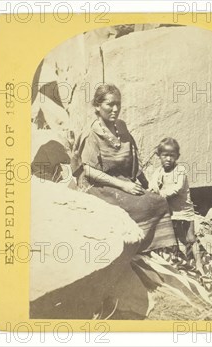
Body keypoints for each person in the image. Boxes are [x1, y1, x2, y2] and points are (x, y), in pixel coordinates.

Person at [73, 84, 176, 253]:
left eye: (118, 104)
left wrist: (147, 183)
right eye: (110, 104)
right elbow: (89, 171)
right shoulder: (91, 134)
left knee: (158, 200)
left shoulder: (121, 127)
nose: (115, 109)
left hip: (123, 181)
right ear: (98, 106)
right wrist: (123, 186)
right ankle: (137, 249)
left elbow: (134, 158)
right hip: (99, 187)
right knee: (143, 206)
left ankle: (161, 249)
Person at [150, 137, 204, 274]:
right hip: (170, 211)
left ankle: (199, 265)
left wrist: (160, 193)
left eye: (172, 156)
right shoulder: (158, 172)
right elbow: (152, 186)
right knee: (171, 238)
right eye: (165, 155)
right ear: (159, 156)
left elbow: (177, 188)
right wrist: (153, 189)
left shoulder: (180, 170)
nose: (168, 159)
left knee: (190, 238)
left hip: (184, 211)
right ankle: (177, 263)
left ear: (177, 156)